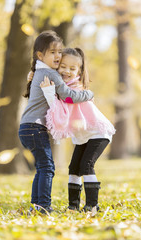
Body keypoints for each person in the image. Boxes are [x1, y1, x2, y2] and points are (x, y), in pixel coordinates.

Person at [18, 31, 94, 214]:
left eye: (59, 51)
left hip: (27, 127)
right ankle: (43, 206)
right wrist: (88, 94)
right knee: (47, 167)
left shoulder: (40, 70)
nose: (58, 56)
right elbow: (68, 96)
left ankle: (36, 206)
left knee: (42, 167)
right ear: (40, 55)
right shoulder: (50, 73)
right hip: (35, 127)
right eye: (52, 52)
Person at [40, 47, 115, 212]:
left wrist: (49, 93)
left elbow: (65, 101)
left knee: (86, 166)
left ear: (79, 71)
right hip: (83, 136)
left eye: (72, 69)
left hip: (98, 133)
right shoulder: (61, 86)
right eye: (63, 66)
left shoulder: (75, 88)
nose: (67, 71)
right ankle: (73, 206)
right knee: (74, 168)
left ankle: (92, 206)